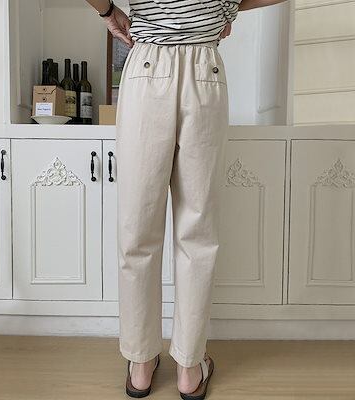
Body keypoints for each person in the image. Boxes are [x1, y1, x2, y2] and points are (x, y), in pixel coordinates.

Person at [85, 0, 287, 398]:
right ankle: (189, 369)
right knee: (198, 232)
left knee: (137, 228)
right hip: (204, 71)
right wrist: (226, 8)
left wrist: (108, 11)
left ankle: (141, 364)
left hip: (146, 68)